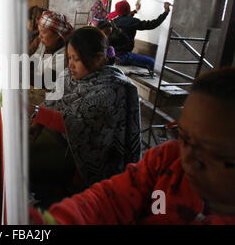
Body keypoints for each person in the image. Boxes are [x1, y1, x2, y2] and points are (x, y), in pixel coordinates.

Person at [30, 67, 235, 225]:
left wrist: (37, 112)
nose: (188, 158)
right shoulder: (168, 163)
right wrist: (54, 221)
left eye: (214, 153)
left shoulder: (108, 90)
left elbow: (74, 122)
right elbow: (113, 199)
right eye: (184, 137)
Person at [28, 27, 141, 206]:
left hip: (92, 158)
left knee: (31, 168)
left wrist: (32, 111)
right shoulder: (71, 76)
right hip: (67, 142)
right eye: (69, 58)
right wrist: (35, 127)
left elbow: (73, 123)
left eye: (77, 59)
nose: (70, 64)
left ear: (97, 59)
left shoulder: (111, 89)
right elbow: (52, 102)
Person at [110, 0, 171, 70]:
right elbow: (152, 24)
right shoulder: (132, 21)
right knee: (152, 62)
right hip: (123, 56)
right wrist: (166, 12)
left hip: (113, 55)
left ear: (118, 11)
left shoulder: (114, 21)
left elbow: (126, 17)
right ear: (128, 9)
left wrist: (136, 10)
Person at [29, 10, 74, 105]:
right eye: (39, 32)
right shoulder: (44, 44)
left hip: (52, 98)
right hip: (40, 90)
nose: (39, 36)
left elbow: (46, 81)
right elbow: (33, 61)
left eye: (43, 33)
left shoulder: (64, 55)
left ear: (58, 35)